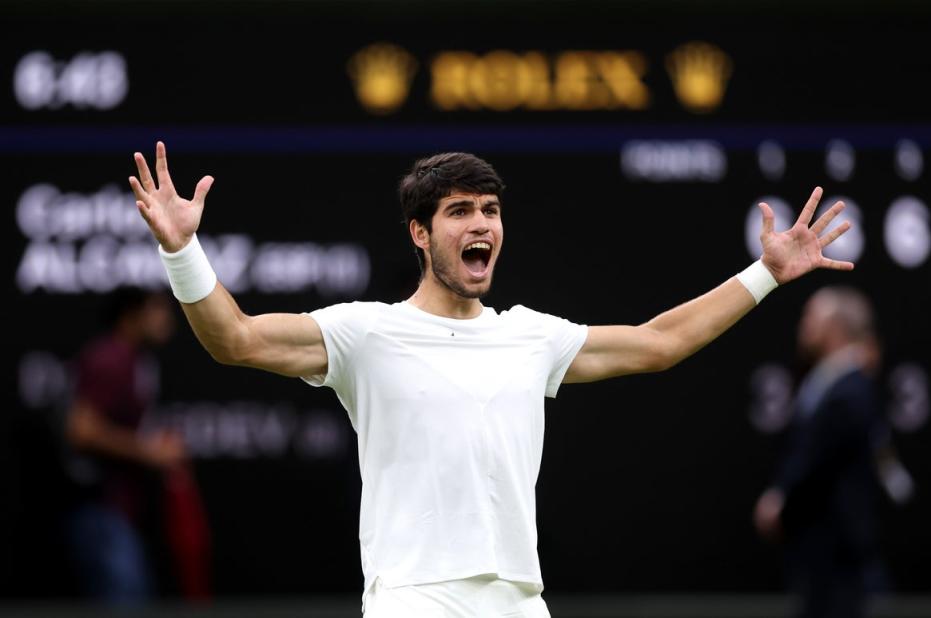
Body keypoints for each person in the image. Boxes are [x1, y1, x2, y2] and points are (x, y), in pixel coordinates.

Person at [129, 142, 853, 617]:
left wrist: (766, 273)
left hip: (519, 600)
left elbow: (659, 343)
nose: (481, 224)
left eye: (490, 210)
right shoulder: (364, 332)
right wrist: (183, 251)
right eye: (459, 212)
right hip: (413, 599)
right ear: (420, 233)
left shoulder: (528, 335)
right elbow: (234, 339)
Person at [65, 287, 210, 603]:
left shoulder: (137, 361)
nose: (167, 320)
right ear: (132, 316)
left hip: (124, 507)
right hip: (101, 509)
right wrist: (148, 451)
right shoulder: (109, 359)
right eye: (157, 311)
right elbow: (81, 430)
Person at [754, 287, 887, 618]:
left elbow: (818, 461)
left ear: (834, 327)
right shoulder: (828, 380)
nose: (803, 325)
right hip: (818, 549)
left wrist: (782, 501)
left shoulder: (850, 388)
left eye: (811, 317)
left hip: (837, 550)